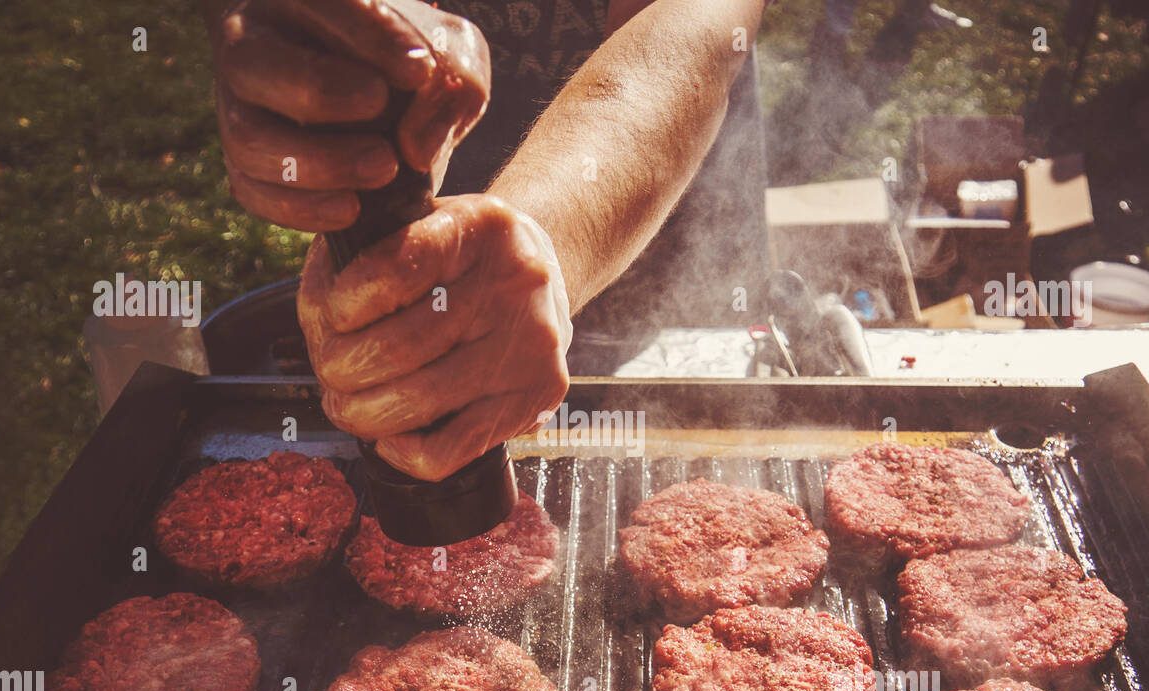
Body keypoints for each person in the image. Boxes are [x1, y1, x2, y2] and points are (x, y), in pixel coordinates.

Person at [204, 0, 770, 481]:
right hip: (417, 245)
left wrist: (539, 247)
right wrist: (303, 58)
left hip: (662, 250)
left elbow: (692, 29)